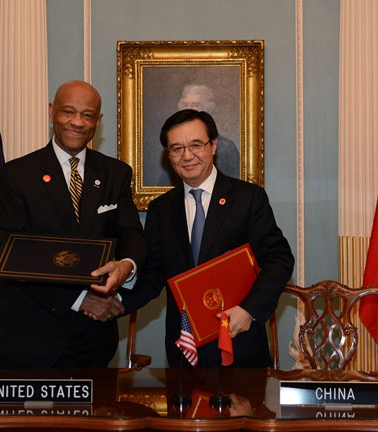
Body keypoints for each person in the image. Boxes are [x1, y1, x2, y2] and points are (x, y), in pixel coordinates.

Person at [0, 81, 146, 369]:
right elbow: (12, 254)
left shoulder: (116, 173)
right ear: (52, 112)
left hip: (93, 339)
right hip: (28, 338)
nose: (77, 122)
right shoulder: (16, 175)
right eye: (68, 112)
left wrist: (127, 266)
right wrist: (79, 299)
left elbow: (130, 232)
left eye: (87, 115)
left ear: (98, 120)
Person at [120, 109, 293, 367]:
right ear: (168, 155)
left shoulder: (247, 198)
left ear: (213, 145)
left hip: (240, 345)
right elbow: (154, 274)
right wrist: (116, 302)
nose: (187, 155)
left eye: (196, 145)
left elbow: (279, 259)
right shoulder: (161, 209)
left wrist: (248, 310)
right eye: (177, 148)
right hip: (185, 352)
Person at [177, 84, 240, 178]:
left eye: (196, 105)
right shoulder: (175, 146)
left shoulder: (226, 147)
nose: (189, 109)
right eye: (186, 104)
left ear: (208, 109)